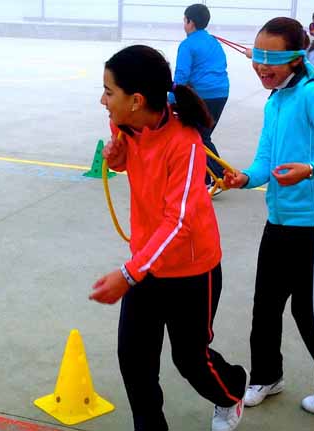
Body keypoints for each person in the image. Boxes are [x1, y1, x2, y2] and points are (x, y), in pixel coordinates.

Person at [91, 45, 247, 431]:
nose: (103, 100)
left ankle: (233, 393)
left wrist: (127, 275)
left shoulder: (187, 143)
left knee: (191, 360)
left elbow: (178, 222)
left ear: (136, 100)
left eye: (109, 91)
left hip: (192, 270)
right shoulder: (124, 122)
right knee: (133, 358)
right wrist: (117, 158)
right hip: (147, 263)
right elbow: (130, 160)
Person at [223, 17, 314, 416]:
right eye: (258, 57)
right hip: (281, 220)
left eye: (272, 58)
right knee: (265, 303)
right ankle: (267, 375)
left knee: (310, 306)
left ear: (296, 58)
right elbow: (267, 159)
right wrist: (246, 178)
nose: (261, 66)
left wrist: (311, 169)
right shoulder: (276, 100)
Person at [173, 4, 230, 195]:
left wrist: (170, 99)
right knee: (201, 135)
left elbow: (181, 76)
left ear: (190, 22)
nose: (184, 24)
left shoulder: (187, 45)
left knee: (199, 137)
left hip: (203, 96)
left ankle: (217, 177)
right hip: (221, 93)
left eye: (184, 20)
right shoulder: (213, 42)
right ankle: (210, 176)